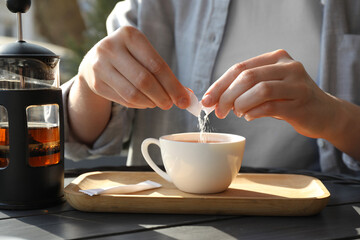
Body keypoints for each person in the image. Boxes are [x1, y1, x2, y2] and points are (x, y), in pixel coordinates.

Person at [62, 0, 360, 175]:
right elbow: (77, 137)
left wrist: (336, 118)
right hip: (169, 223)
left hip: (321, 221)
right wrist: (90, 85)